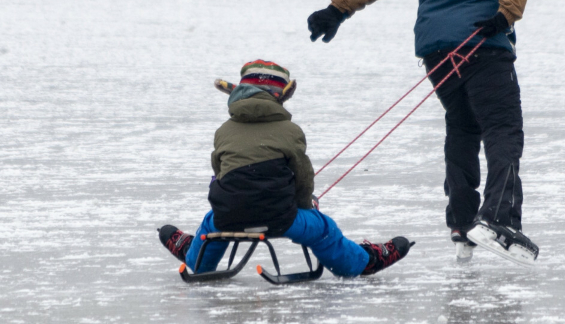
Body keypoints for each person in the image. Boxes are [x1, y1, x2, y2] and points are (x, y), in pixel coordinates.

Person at [305, 0, 540, 265]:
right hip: (485, 42)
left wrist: (338, 9)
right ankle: (497, 219)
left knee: (463, 127)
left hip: (436, 52)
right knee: (503, 130)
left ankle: (463, 221)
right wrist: (506, 14)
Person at [158, 59, 413, 277]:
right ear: (281, 97)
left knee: (211, 222)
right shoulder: (290, 131)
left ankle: (197, 257)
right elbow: (303, 179)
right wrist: (306, 203)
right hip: (282, 219)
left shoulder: (223, 131)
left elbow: (219, 175)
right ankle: (361, 262)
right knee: (324, 229)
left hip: (228, 216)